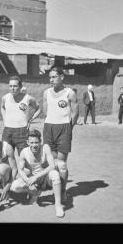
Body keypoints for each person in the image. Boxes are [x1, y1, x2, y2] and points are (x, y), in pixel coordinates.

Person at [43, 67, 79, 203]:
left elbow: (75, 113)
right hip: (49, 128)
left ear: (62, 77)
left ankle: (63, 191)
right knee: (52, 162)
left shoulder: (70, 93)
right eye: (50, 77)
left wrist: (69, 128)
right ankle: (55, 190)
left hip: (64, 128)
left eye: (54, 77)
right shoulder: (46, 92)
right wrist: (52, 122)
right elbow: (46, 111)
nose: (51, 80)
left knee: (62, 163)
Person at [10, 129, 65, 217]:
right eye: (31, 142)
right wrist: (28, 182)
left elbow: (52, 166)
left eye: (36, 142)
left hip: (45, 177)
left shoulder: (45, 148)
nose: (34, 145)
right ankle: (35, 193)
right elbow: (20, 170)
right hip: (33, 179)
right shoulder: (24, 152)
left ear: (40, 141)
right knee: (14, 187)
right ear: (27, 142)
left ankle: (58, 205)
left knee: (55, 174)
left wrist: (36, 177)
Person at [1, 76, 40, 157]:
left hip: (22, 131)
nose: (12, 88)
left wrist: (30, 119)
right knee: (5, 156)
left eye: (15, 86)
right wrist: (4, 119)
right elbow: (2, 108)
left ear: (20, 87)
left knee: (24, 157)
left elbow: (38, 108)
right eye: (10, 86)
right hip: (7, 131)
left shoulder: (27, 98)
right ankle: (13, 170)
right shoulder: (5, 98)